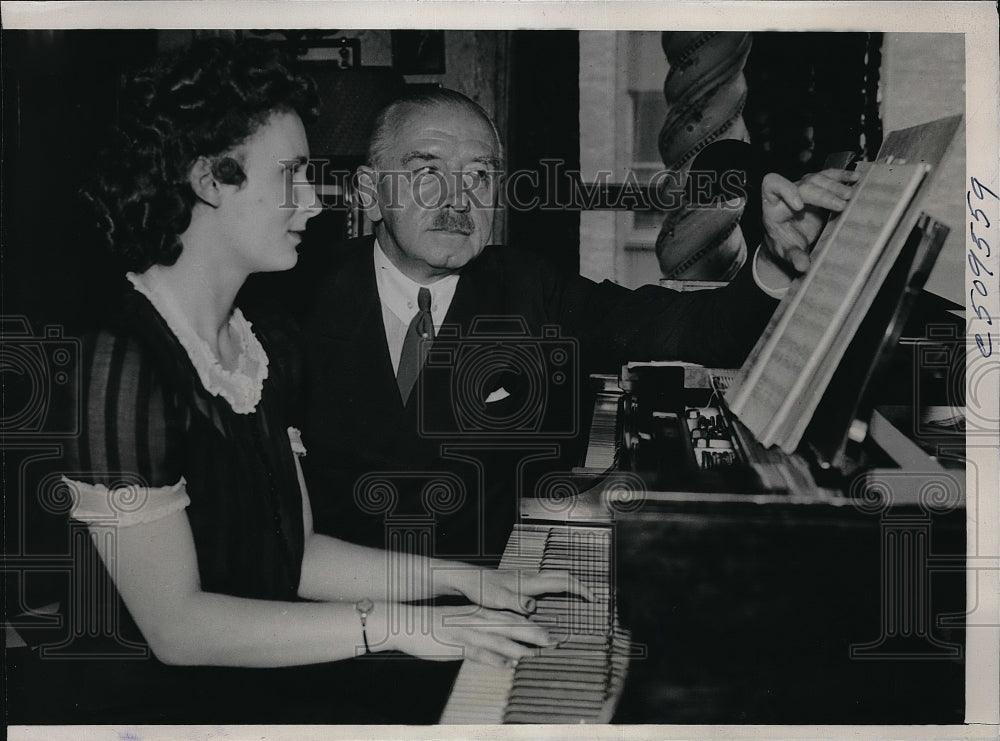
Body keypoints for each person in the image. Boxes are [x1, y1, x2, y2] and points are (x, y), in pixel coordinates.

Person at [41, 40, 588, 725]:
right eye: (292, 175)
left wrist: (461, 579)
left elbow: (295, 560)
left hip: (246, 686)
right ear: (212, 178)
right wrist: (403, 626)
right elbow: (177, 630)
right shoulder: (118, 363)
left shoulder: (257, 345)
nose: (315, 203)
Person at [301, 88, 859, 562]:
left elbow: (698, 330)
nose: (457, 199)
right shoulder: (294, 299)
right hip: (322, 632)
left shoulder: (527, 287)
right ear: (371, 193)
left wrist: (780, 259)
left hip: (480, 620)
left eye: (479, 176)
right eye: (427, 172)